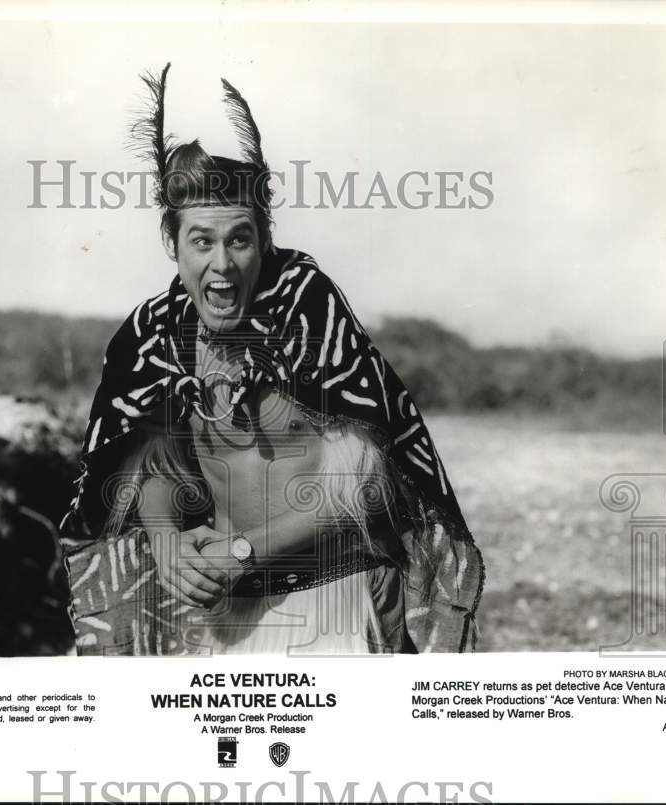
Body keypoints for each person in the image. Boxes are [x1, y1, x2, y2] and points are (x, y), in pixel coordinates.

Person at [59, 64, 484, 655]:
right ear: (173, 245)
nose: (222, 264)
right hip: (223, 611)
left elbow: (362, 488)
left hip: (331, 598)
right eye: (202, 241)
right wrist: (164, 539)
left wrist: (242, 553)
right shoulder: (155, 333)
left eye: (239, 239)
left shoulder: (309, 313)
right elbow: (151, 459)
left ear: (264, 240)